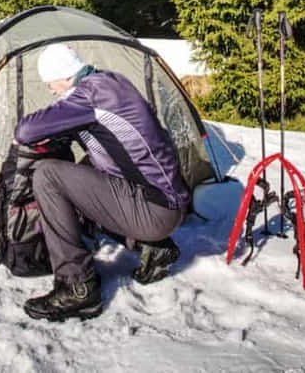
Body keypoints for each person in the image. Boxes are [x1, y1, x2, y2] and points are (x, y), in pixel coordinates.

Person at [14, 43, 190, 321]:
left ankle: (77, 287)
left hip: (154, 210)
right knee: (83, 170)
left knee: (48, 175)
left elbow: (25, 130)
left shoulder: (90, 95)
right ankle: (152, 248)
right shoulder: (109, 81)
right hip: (165, 202)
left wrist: (43, 130)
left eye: (50, 84)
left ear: (65, 76)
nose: (51, 91)